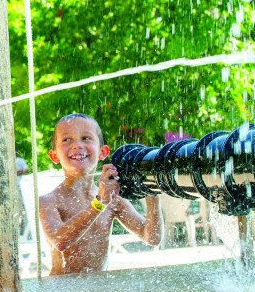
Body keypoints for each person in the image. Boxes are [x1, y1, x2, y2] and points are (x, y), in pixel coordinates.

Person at [38, 113, 162, 275]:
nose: (77, 145)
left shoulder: (113, 200)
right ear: (54, 156)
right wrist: (99, 203)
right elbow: (60, 242)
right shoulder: (48, 201)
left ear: (103, 152)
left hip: (98, 288)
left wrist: (152, 191)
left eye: (86, 138)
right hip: (63, 291)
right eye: (66, 140)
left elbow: (152, 238)